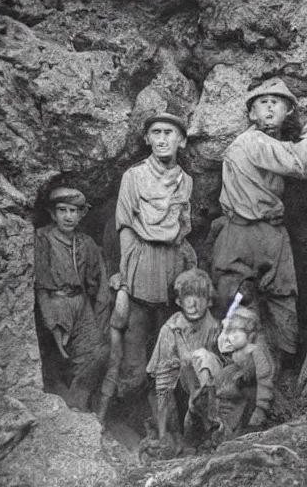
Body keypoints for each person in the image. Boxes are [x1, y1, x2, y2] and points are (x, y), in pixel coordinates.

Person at [211, 77, 307, 373]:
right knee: (230, 299)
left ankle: (278, 377)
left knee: (283, 300)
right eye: (263, 102)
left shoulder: (273, 146)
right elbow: (299, 163)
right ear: (251, 114)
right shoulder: (253, 141)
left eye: (277, 102)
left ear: (287, 112)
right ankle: (229, 379)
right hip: (240, 232)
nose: (270, 107)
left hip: (272, 233)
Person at [100, 112, 196, 422]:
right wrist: (126, 285)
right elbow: (125, 228)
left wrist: (187, 274)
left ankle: (164, 421)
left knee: (169, 350)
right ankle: (120, 417)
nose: (163, 138)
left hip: (172, 270)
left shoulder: (187, 181)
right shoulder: (134, 176)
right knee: (133, 354)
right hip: (141, 266)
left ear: (181, 140)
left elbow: (184, 231)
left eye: (170, 132)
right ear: (147, 139)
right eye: (156, 132)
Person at [34, 187, 111, 412]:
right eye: (62, 210)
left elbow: (97, 282)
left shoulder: (85, 243)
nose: (68, 217)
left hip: (81, 303)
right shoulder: (42, 239)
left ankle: (78, 401)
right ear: (52, 214)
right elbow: (41, 285)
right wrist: (53, 322)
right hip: (53, 303)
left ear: (81, 214)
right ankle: (59, 403)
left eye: (74, 211)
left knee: (99, 352)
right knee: (56, 354)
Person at [145, 269, 222, 451]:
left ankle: (212, 430)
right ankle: (170, 435)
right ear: (179, 300)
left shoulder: (214, 327)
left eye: (200, 296)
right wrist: (164, 433)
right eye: (188, 296)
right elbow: (163, 383)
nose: (193, 303)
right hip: (175, 390)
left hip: (204, 389)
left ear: (209, 300)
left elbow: (219, 367)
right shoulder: (170, 329)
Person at [214, 306, 275, 438]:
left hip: (251, 391)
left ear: (250, 334)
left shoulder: (256, 351)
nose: (231, 337)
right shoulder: (237, 352)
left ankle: (239, 429)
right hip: (237, 387)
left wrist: (261, 409)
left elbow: (264, 378)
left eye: (236, 331)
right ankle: (224, 427)